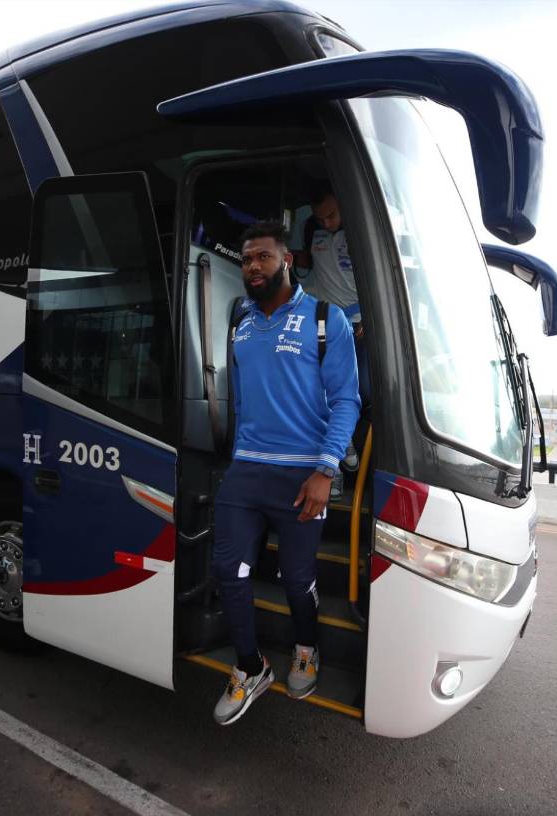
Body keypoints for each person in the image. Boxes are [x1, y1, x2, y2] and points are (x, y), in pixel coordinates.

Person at [211, 221, 359, 725]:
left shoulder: (325, 318)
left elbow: (346, 401)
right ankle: (250, 667)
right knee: (229, 572)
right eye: (247, 259)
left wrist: (325, 468)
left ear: (287, 260)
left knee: (297, 581)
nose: (253, 266)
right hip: (247, 469)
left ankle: (306, 648)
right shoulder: (240, 321)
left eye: (264, 257)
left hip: (302, 476)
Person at [295, 185, 367, 485]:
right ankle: (338, 454)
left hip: (356, 322)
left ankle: (341, 450)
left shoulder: (362, 233)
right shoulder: (315, 231)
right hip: (322, 320)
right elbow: (307, 267)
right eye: (320, 218)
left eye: (331, 215)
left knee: (349, 390)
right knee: (314, 386)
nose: (326, 222)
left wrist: (370, 318)